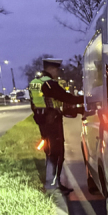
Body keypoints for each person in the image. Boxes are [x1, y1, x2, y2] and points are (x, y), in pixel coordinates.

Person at [28, 58, 83, 193]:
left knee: (50, 151)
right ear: (51, 69)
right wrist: (87, 99)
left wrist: (76, 110)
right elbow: (67, 98)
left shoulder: (35, 83)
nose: (58, 72)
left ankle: (52, 183)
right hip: (52, 122)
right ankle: (53, 184)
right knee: (57, 153)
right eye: (57, 70)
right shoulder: (50, 84)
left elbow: (40, 104)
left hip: (43, 121)